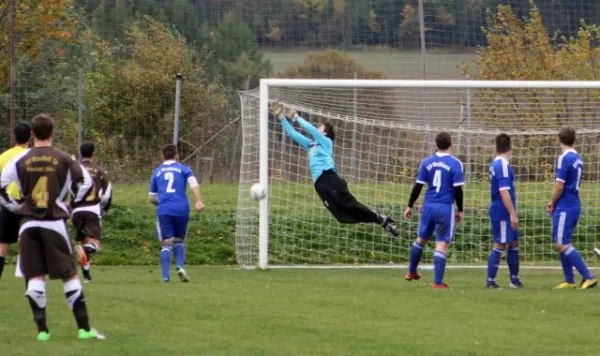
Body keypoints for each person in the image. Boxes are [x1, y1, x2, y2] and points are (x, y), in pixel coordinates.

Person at [0, 113, 103, 341]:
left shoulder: (21, 159)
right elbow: (85, 181)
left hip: (28, 224)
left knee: (35, 275)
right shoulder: (64, 158)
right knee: (68, 274)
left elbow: (2, 184)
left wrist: (15, 207)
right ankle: (84, 329)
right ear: (52, 133)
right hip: (54, 222)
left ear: (33, 134)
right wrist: (71, 202)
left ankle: (43, 332)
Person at [272, 103, 399, 237]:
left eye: (320, 127)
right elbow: (293, 133)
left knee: (351, 205)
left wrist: (296, 117)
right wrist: (281, 117)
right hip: (319, 185)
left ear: (324, 132)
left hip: (330, 178)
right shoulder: (311, 145)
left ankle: (380, 219)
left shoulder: (327, 142)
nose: (317, 128)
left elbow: (312, 130)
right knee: (342, 217)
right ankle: (380, 219)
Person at [403, 132, 464, 288]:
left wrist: (409, 205)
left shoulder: (427, 162)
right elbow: (458, 191)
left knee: (421, 238)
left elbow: (418, 186)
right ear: (451, 145)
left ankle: (411, 271)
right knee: (442, 243)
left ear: (436, 145)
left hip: (428, 205)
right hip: (444, 207)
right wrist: (460, 210)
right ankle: (437, 282)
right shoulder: (456, 164)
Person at [547, 128, 597, 290]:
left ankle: (588, 276)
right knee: (561, 241)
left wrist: (552, 202)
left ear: (559, 140)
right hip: (574, 203)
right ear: (574, 140)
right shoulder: (578, 158)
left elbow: (559, 186)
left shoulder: (564, 158)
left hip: (565, 205)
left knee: (562, 244)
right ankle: (569, 280)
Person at [149, 144, 204, 283]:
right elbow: (194, 185)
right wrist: (198, 201)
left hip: (164, 209)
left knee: (166, 242)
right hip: (182, 209)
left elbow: (152, 197)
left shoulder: (157, 172)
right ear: (177, 156)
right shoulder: (184, 169)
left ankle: (166, 277)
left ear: (162, 156)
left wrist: (161, 203)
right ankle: (179, 266)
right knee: (179, 240)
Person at [485, 134, 523, 289]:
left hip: (504, 208)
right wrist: (512, 213)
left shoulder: (497, 163)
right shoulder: (502, 166)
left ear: (496, 147)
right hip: (502, 209)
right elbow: (504, 192)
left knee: (513, 242)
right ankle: (490, 281)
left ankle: (514, 280)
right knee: (501, 243)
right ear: (511, 147)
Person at [72, 142, 112, 283]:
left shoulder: (74, 170)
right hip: (92, 210)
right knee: (94, 245)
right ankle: (87, 253)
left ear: (80, 153)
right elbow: (107, 193)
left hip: (76, 211)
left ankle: (87, 277)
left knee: (84, 244)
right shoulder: (100, 171)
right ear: (93, 154)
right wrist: (105, 208)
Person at [0, 122, 31, 280]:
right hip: (28, 204)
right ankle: (31, 287)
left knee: (3, 244)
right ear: (31, 136)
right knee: (30, 244)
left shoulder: (4, 156)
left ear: (14, 137)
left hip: (8, 203)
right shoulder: (32, 156)